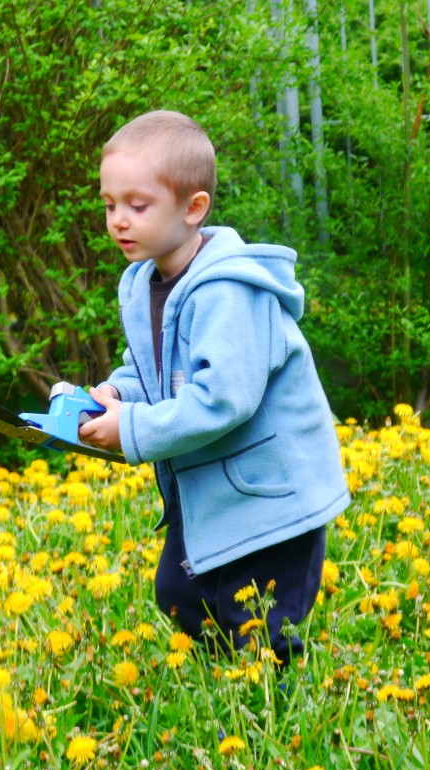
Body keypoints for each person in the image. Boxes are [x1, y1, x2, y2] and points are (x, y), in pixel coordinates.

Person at [79, 110, 350, 666]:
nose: (118, 221)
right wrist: (118, 396)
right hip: (210, 491)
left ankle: (279, 709)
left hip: (272, 497)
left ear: (193, 208)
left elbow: (224, 399)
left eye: (137, 205)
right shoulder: (142, 284)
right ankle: (224, 693)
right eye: (109, 205)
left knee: (260, 623)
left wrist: (130, 430)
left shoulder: (227, 292)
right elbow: (148, 368)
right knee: (180, 598)